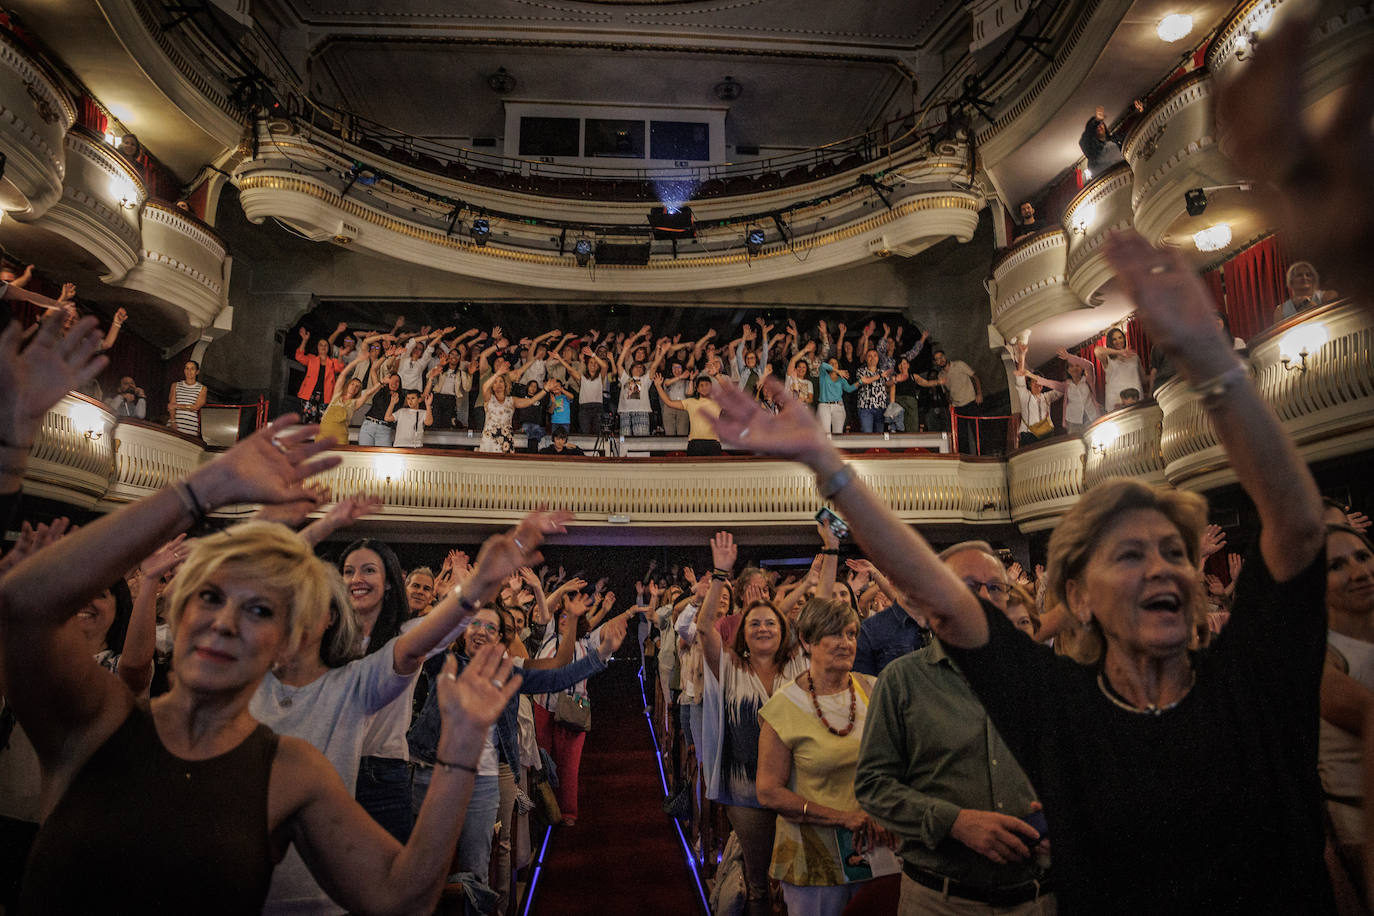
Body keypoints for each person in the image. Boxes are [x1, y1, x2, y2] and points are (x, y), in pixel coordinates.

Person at [706, 227, 1332, 913]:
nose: (1163, 569)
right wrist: (828, 466)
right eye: (1130, 554)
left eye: (1176, 552)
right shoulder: (1061, 705)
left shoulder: (1251, 677)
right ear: (1078, 597)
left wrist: (1211, 361)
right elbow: (942, 599)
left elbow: (1298, 526)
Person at [0, 408, 524, 914]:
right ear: (179, 612)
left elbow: (398, 896)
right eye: (210, 597)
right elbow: (23, 605)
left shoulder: (288, 770)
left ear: (285, 641)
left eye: (258, 610)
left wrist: (460, 752)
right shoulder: (100, 720)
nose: (225, 622)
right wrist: (201, 489)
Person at [856, 542, 1051, 914]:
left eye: (995, 587)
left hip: (1036, 897)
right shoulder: (903, 680)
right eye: (968, 585)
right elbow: (873, 785)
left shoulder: (1043, 675)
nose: (983, 597)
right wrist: (954, 823)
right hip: (942, 900)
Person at [756, 597, 894, 916]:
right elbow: (768, 791)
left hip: (875, 848)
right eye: (834, 634)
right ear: (807, 640)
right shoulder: (784, 706)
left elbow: (895, 763)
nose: (845, 643)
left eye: (851, 633)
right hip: (813, 858)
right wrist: (842, 817)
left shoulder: (874, 690)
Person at [699, 531, 808, 916]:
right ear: (743, 633)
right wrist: (719, 575)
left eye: (771, 623)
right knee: (759, 882)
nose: (763, 628)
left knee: (796, 880)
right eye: (755, 623)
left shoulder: (797, 668)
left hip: (794, 784)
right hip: (743, 787)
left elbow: (824, 614)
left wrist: (828, 556)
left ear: (783, 631)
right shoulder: (730, 667)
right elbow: (704, 629)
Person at [1319, 525, 1374, 897]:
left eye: (1363, 556)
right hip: (1360, 831)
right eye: (1336, 566)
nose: (1359, 572)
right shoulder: (1317, 657)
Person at [912, 350, 982, 453]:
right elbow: (946, 392)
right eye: (937, 359)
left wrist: (979, 393)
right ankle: (966, 457)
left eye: (941, 357)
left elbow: (975, 377)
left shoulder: (959, 365)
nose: (941, 360)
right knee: (961, 436)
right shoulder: (941, 375)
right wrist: (950, 403)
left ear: (945, 356)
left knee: (977, 432)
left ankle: (982, 454)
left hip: (970, 402)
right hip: (957, 407)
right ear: (935, 362)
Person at [479, 370, 547, 454]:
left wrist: (545, 389)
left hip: (506, 440)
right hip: (489, 439)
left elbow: (531, 401)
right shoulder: (489, 398)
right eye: (495, 382)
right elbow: (485, 387)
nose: (498, 384)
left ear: (505, 384)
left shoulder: (512, 400)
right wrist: (498, 373)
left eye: (501, 381)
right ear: (492, 386)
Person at [655, 373, 723, 455]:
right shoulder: (690, 402)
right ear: (697, 389)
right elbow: (669, 402)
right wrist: (658, 386)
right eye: (701, 385)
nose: (704, 387)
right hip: (695, 443)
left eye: (706, 385)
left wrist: (717, 376)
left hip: (713, 442)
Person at [318, 355, 379, 445]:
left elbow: (369, 393)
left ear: (358, 391)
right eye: (352, 384)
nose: (354, 387)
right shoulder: (337, 394)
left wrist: (382, 382)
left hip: (340, 437)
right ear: (348, 384)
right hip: (323, 433)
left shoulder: (355, 403)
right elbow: (343, 374)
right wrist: (356, 361)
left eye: (357, 387)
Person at [296, 328, 345, 424]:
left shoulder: (332, 362)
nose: (323, 347)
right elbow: (299, 357)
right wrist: (304, 340)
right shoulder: (311, 359)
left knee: (324, 422)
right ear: (317, 347)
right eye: (321, 345)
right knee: (309, 421)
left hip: (326, 395)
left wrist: (340, 355)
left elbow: (339, 368)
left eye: (326, 345)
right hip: (309, 394)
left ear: (329, 348)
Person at [1095, 327, 1144, 411]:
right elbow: (1097, 350)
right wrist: (1120, 352)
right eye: (1114, 339)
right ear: (1110, 342)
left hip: (1135, 397)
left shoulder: (1134, 356)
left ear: (1124, 338)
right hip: (1116, 399)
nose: (1118, 341)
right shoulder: (1108, 358)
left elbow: (1143, 378)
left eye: (1120, 337)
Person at [1014, 372, 1062, 445]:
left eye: (1039, 381)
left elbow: (1062, 388)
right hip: (1028, 435)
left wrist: (1046, 382)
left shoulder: (1047, 396)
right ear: (1030, 384)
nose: (1037, 384)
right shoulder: (1025, 395)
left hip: (1047, 434)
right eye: (1034, 381)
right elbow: (1020, 382)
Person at [358, 369, 401, 447]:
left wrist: (393, 402)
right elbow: (373, 370)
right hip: (369, 425)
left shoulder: (401, 398)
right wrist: (382, 381)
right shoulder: (380, 389)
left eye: (397, 381)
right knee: (364, 453)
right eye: (392, 380)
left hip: (384, 429)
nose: (394, 383)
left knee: (383, 454)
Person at [815, 358, 858, 434]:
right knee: (825, 433)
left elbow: (849, 389)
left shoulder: (841, 379)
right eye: (831, 363)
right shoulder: (823, 375)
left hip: (838, 406)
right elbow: (823, 365)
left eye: (835, 363)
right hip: (824, 406)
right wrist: (838, 371)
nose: (833, 364)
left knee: (838, 433)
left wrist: (860, 382)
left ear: (838, 365)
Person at [168, 359, 207, 438]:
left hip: (190, 426)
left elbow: (196, 407)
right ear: (184, 370)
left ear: (197, 372)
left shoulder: (202, 388)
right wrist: (173, 421)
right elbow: (171, 406)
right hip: (174, 424)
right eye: (187, 368)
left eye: (192, 369)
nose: (189, 371)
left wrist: (177, 406)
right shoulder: (175, 385)